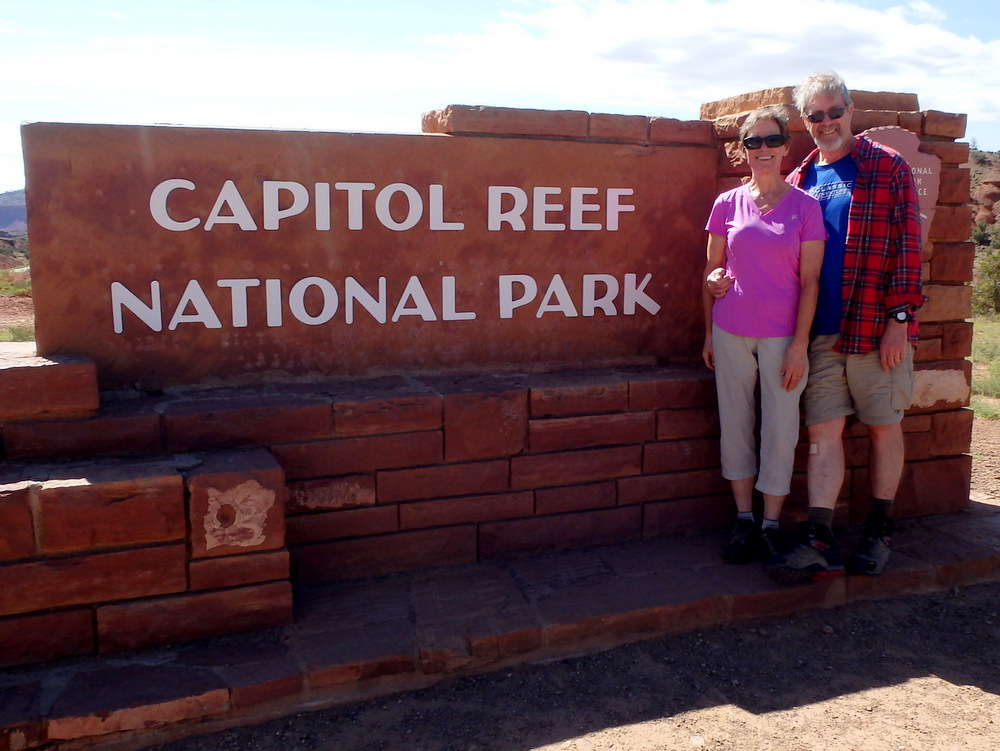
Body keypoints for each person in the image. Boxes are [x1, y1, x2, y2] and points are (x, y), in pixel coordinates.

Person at [760, 71, 925, 583]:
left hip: (877, 327)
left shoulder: (887, 167)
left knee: (882, 426)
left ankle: (878, 531)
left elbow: (908, 248)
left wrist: (900, 320)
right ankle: (818, 537)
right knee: (824, 432)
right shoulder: (801, 178)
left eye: (834, 111)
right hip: (821, 333)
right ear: (805, 123)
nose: (826, 122)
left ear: (851, 111)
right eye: (815, 115)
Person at [702, 105, 825, 565]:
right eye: (753, 142)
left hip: (781, 337)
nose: (764, 150)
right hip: (731, 328)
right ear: (742, 149)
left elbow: (810, 282)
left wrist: (799, 345)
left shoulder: (805, 207)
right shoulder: (726, 203)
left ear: (786, 146)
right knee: (734, 424)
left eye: (772, 140)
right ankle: (744, 519)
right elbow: (711, 271)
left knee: (780, 428)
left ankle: (771, 523)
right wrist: (709, 328)